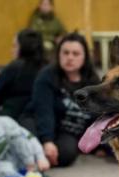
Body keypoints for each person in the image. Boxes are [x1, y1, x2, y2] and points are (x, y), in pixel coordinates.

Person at [21, 32, 101, 167]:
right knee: (27, 138)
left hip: (67, 129)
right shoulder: (46, 76)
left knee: (66, 154)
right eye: (65, 53)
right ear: (59, 54)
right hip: (38, 120)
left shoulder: (92, 81)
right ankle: (35, 157)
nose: (69, 58)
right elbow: (43, 111)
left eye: (75, 54)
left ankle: (39, 158)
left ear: (85, 57)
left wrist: (99, 145)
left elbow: (98, 114)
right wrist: (47, 141)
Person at [0, 29, 47, 121]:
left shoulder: (12, 68)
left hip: (11, 118)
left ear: (24, 48)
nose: (11, 50)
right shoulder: (49, 68)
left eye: (14, 46)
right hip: (41, 119)